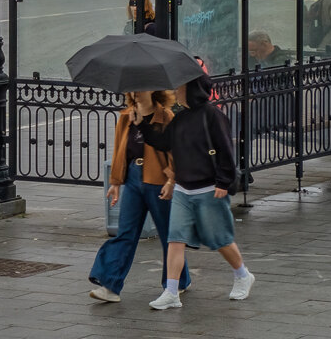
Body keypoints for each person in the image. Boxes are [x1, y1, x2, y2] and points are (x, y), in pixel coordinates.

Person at [142, 74, 254, 310]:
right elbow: (163, 142)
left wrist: (223, 182)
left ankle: (243, 275)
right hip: (183, 190)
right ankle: (171, 292)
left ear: (192, 89)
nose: (176, 91)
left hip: (209, 189)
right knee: (175, 239)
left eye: (180, 86)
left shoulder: (212, 115)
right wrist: (141, 122)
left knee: (220, 239)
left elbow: (226, 150)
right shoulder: (181, 117)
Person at [88, 90, 191, 303]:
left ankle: (178, 281)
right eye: (132, 88)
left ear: (153, 89)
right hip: (134, 179)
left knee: (168, 234)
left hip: (158, 179)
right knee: (125, 233)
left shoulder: (165, 116)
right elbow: (119, 151)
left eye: (140, 87)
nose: (135, 92)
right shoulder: (126, 116)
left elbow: (175, 151)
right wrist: (116, 182)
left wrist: (171, 180)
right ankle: (110, 286)